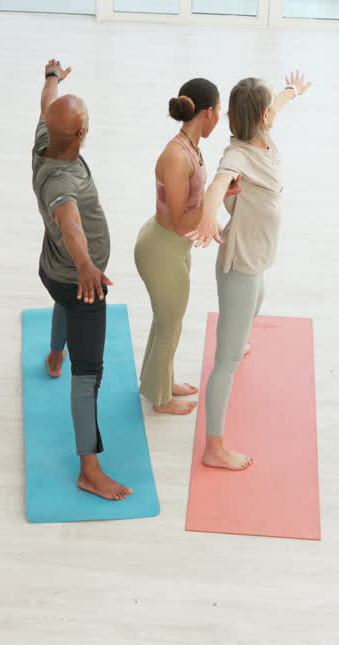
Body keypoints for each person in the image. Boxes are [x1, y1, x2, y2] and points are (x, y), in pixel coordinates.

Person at [187, 71, 312, 471]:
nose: (273, 112)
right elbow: (218, 184)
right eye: (268, 109)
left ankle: (237, 339)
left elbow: (277, 103)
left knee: (259, 297)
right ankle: (214, 447)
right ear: (258, 117)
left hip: (256, 261)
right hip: (240, 262)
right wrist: (208, 217)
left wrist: (292, 91)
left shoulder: (264, 131)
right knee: (225, 363)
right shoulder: (238, 155)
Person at [33, 58, 131, 501]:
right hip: (79, 283)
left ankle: (54, 355)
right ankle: (88, 470)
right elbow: (69, 219)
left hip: (52, 271)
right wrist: (88, 266)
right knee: (88, 374)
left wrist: (52, 78)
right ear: (79, 135)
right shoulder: (62, 181)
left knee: (60, 304)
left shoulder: (44, 141)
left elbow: (47, 104)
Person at [135, 78, 237, 415]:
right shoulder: (176, 155)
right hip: (161, 249)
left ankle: (158, 382)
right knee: (168, 323)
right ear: (208, 112)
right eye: (219, 111)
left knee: (168, 321)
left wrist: (220, 196)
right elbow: (181, 221)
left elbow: (193, 209)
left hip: (175, 248)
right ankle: (161, 400)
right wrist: (215, 200)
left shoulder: (192, 146)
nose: (219, 118)